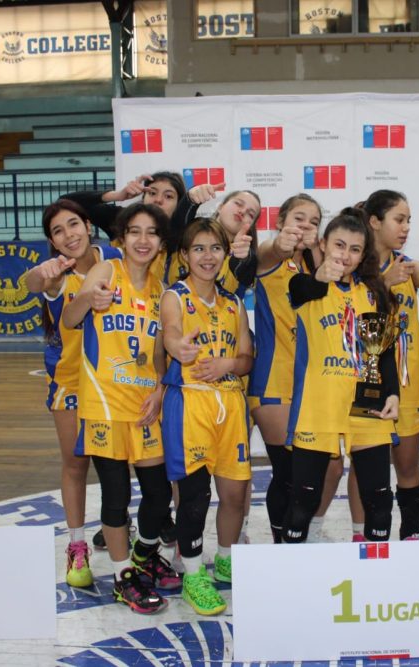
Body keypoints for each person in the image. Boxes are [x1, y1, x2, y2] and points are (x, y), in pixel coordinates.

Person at [62, 202, 179, 614]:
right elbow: (70, 318)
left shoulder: (163, 291)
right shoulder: (106, 272)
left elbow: (162, 356)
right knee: (115, 497)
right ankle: (123, 574)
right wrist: (88, 299)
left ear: (161, 243)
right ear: (121, 238)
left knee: (158, 494)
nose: (143, 240)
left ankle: (145, 555)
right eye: (134, 231)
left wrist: (162, 390)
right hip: (104, 405)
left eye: (151, 233)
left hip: (145, 404)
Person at [282, 208, 400, 544]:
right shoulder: (307, 286)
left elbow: (383, 351)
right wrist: (322, 274)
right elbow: (306, 287)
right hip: (318, 406)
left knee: (379, 498)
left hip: (368, 404)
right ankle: (295, 571)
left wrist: (392, 393)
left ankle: (376, 573)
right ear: (323, 244)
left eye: (354, 249)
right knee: (304, 498)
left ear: (364, 255)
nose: (345, 255)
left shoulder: (372, 293)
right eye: (338, 245)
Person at [24, 199, 120, 589]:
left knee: (116, 468)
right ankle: (76, 544)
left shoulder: (113, 257)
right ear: (52, 241)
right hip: (72, 384)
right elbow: (32, 283)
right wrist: (39, 271)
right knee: (75, 464)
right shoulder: (56, 276)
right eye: (58, 231)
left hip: (116, 382)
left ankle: (118, 535)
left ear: (87, 225)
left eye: (74, 224)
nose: (69, 235)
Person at [160, 218, 253, 616]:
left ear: (225, 253)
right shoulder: (174, 296)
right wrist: (179, 347)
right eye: (198, 248)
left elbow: (247, 359)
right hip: (191, 404)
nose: (207, 256)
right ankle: (194, 574)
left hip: (230, 403)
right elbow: (171, 332)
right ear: (184, 255)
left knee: (234, 494)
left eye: (215, 248)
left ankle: (227, 558)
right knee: (195, 495)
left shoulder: (233, 303)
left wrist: (228, 363)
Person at [360, 190, 419, 541]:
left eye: (409, 220)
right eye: (399, 219)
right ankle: (364, 535)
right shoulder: (356, 265)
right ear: (374, 221)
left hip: (408, 380)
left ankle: (411, 538)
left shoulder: (411, 265)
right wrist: (385, 282)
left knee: (408, 465)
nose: (406, 227)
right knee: (365, 468)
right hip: (367, 378)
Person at [249, 193, 322, 543]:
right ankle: (282, 545)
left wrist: (319, 250)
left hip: (312, 385)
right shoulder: (270, 259)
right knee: (289, 473)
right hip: (273, 382)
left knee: (307, 476)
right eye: (298, 218)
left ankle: (297, 541)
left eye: (314, 221)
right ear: (280, 222)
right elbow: (267, 252)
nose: (305, 226)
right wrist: (281, 244)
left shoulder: (317, 267)